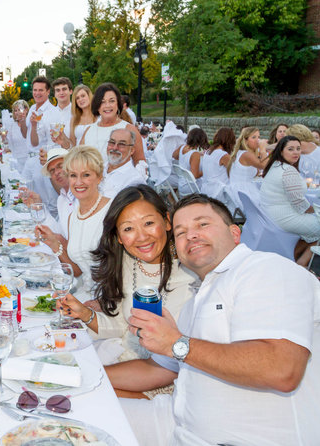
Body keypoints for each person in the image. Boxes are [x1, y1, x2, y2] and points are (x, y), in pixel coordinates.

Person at [107, 194, 320, 446]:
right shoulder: (196, 301)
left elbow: (281, 369)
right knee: (73, 406)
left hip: (238, 439)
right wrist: (90, 373)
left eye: (202, 224)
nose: (191, 235)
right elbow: (160, 369)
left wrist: (177, 343)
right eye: (181, 232)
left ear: (235, 233)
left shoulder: (267, 269)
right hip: (175, 422)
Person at [58, 185, 195, 365]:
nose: (141, 237)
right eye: (128, 228)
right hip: (127, 360)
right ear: (119, 237)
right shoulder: (127, 262)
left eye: (148, 223)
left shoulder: (193, 272)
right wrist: (84, 314)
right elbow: (121, 325)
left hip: (169, 374)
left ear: (167, 221)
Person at [36, 145, 111, 301]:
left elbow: (122, 271)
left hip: (107, 299)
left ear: (99, 177)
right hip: (85, 294)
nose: (78, 182)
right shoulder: (74, 216)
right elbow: (77, 270)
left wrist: (99, 303)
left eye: (86, 175)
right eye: (73, 175)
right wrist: (54, 243)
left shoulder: (111, 212)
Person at [260, 135, 320, 266]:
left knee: (313, 229)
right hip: (284, 217)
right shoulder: (288, 171)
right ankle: (302, 264)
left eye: (298, 149)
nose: (296, 152)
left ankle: (291, 259)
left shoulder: (276, 165)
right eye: (291, 149)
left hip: (272, 214)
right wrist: (316, 211)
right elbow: (300, 205)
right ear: (281, 151)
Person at [81, 83, 145, 166]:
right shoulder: (88, 130)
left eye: (111, 101)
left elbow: (141, 164)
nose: (107, 105)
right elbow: (79, 159)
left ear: (118, 104)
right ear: (97, 106)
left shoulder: (129, 129)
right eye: (102, 102)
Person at [101, 128, 147, 199]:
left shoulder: (134, 180)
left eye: (122, 144)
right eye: (112, 142)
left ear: (131, 150)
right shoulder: (98, 169)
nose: (115, 148)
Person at [228, 126, 268, 208]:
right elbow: (264, 166)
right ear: (245, 141)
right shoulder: (246, 155)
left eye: (258, 137)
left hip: (239, 190)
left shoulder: (241, 153)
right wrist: (263, 150)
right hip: (243, 193)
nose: (257, 140)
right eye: (254, 137)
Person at [199, 127, 233, 201]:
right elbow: (234, 173)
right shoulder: (223, 155)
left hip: (206, 189)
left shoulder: (208, 152)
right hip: (219, 192)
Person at [172, 127, 207, 195]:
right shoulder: (195, 154)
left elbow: (174, 156)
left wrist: (187, 159)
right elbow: (194, 175)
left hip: (182, 184)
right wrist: (206, 170)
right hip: (192, 188)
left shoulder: (182, 147)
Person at [27, 76, 57, 150]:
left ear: (48, 91)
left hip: (41, 158)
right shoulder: (32, 108)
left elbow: (54, 142)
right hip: (28, 158)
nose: (37, 93)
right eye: (35, 90)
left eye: (41, 90)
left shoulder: (53, 112)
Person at [64, 84, 96, 148]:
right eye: (77, 98)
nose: (80, 99)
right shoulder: (74, 119)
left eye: (83, 96)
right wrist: (62, 136)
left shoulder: (98, 116)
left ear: (89, 96)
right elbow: (72, 144)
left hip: (95, 154)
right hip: (79, 155)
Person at [4, 99, 32, 169]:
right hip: (17, 161)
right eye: (15, 110)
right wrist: (3, 137)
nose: (17, 113)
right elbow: (7, 143)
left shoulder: (31, 123)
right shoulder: (12, 125)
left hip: (30, 159)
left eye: (19, 110)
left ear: (26, 110)